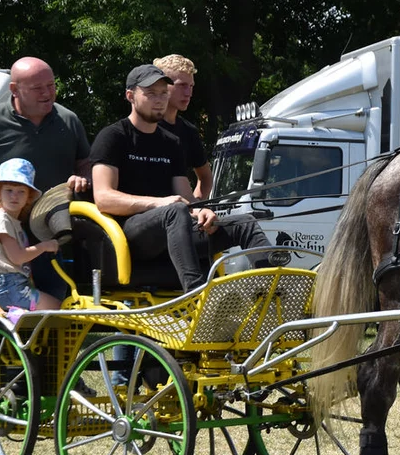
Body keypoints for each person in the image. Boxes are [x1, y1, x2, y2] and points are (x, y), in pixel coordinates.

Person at [90, 64, 269, 292]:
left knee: (245, 223)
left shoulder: (171, 143)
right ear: (130, 96)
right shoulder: (113, 136)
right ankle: (198, 295)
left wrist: (200, 211)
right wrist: (161, 203)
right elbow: (104, 198)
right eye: (151, 93)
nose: (159, 99)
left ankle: (269, 295)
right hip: (129, 235)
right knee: (174, 212)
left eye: (164, 93)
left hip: (175, 227)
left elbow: (185, 198)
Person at [0, 57, 92, 309]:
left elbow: (87, 165)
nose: (48, 93)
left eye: (51, 85)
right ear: (14, 89)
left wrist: (82, 177)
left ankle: (44, 350)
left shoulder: (68, 121)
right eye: (38, 88)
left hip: (47, 231)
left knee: (52, 305)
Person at [0, 158, 62, 311]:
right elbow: (17, 257)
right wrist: (44, 246)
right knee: (56, 308)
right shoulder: (2, 219)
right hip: (6, 285)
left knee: (53, 307)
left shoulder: (11, 221)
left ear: (28, 197)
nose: (14, 196)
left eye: (21, 192)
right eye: (9, 190)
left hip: (8, 284)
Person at [153, 54, 212, 200]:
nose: (188, 93)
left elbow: (205, 177)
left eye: (191, 86)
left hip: (182, 212)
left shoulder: (189, 131)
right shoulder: (144, 128)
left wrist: (196, 206)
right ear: (162, 86)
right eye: (181, 85)